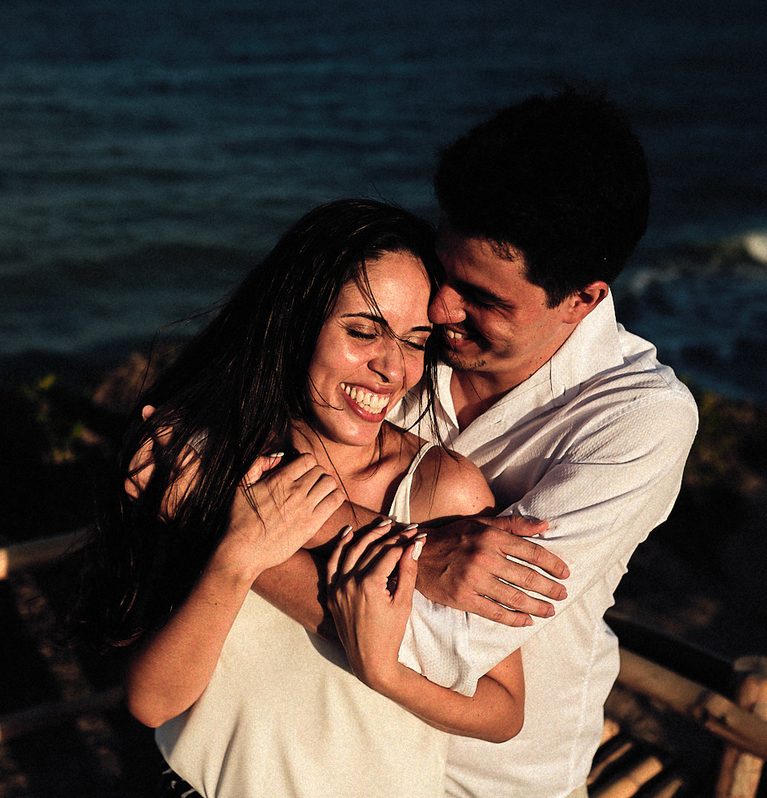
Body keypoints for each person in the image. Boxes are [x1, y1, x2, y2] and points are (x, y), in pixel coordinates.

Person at [256, 87, 700, 798]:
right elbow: (233, 428)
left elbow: (441, 644)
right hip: (332, 748)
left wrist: (227, 537)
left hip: (488, 781)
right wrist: (425, 554)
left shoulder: (638, 421)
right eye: (446, 271)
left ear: (583, 299)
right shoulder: (405, 337)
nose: (440, 311)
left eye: (485, 300)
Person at [72, 198, 527, 798]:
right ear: (294, 322)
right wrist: (233, 558)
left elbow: (504, 710)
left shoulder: (441, 490)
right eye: (363, 331)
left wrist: (384, 673)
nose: (392, 369)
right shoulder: (203, 461)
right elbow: (152, 704)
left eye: (416, 342)